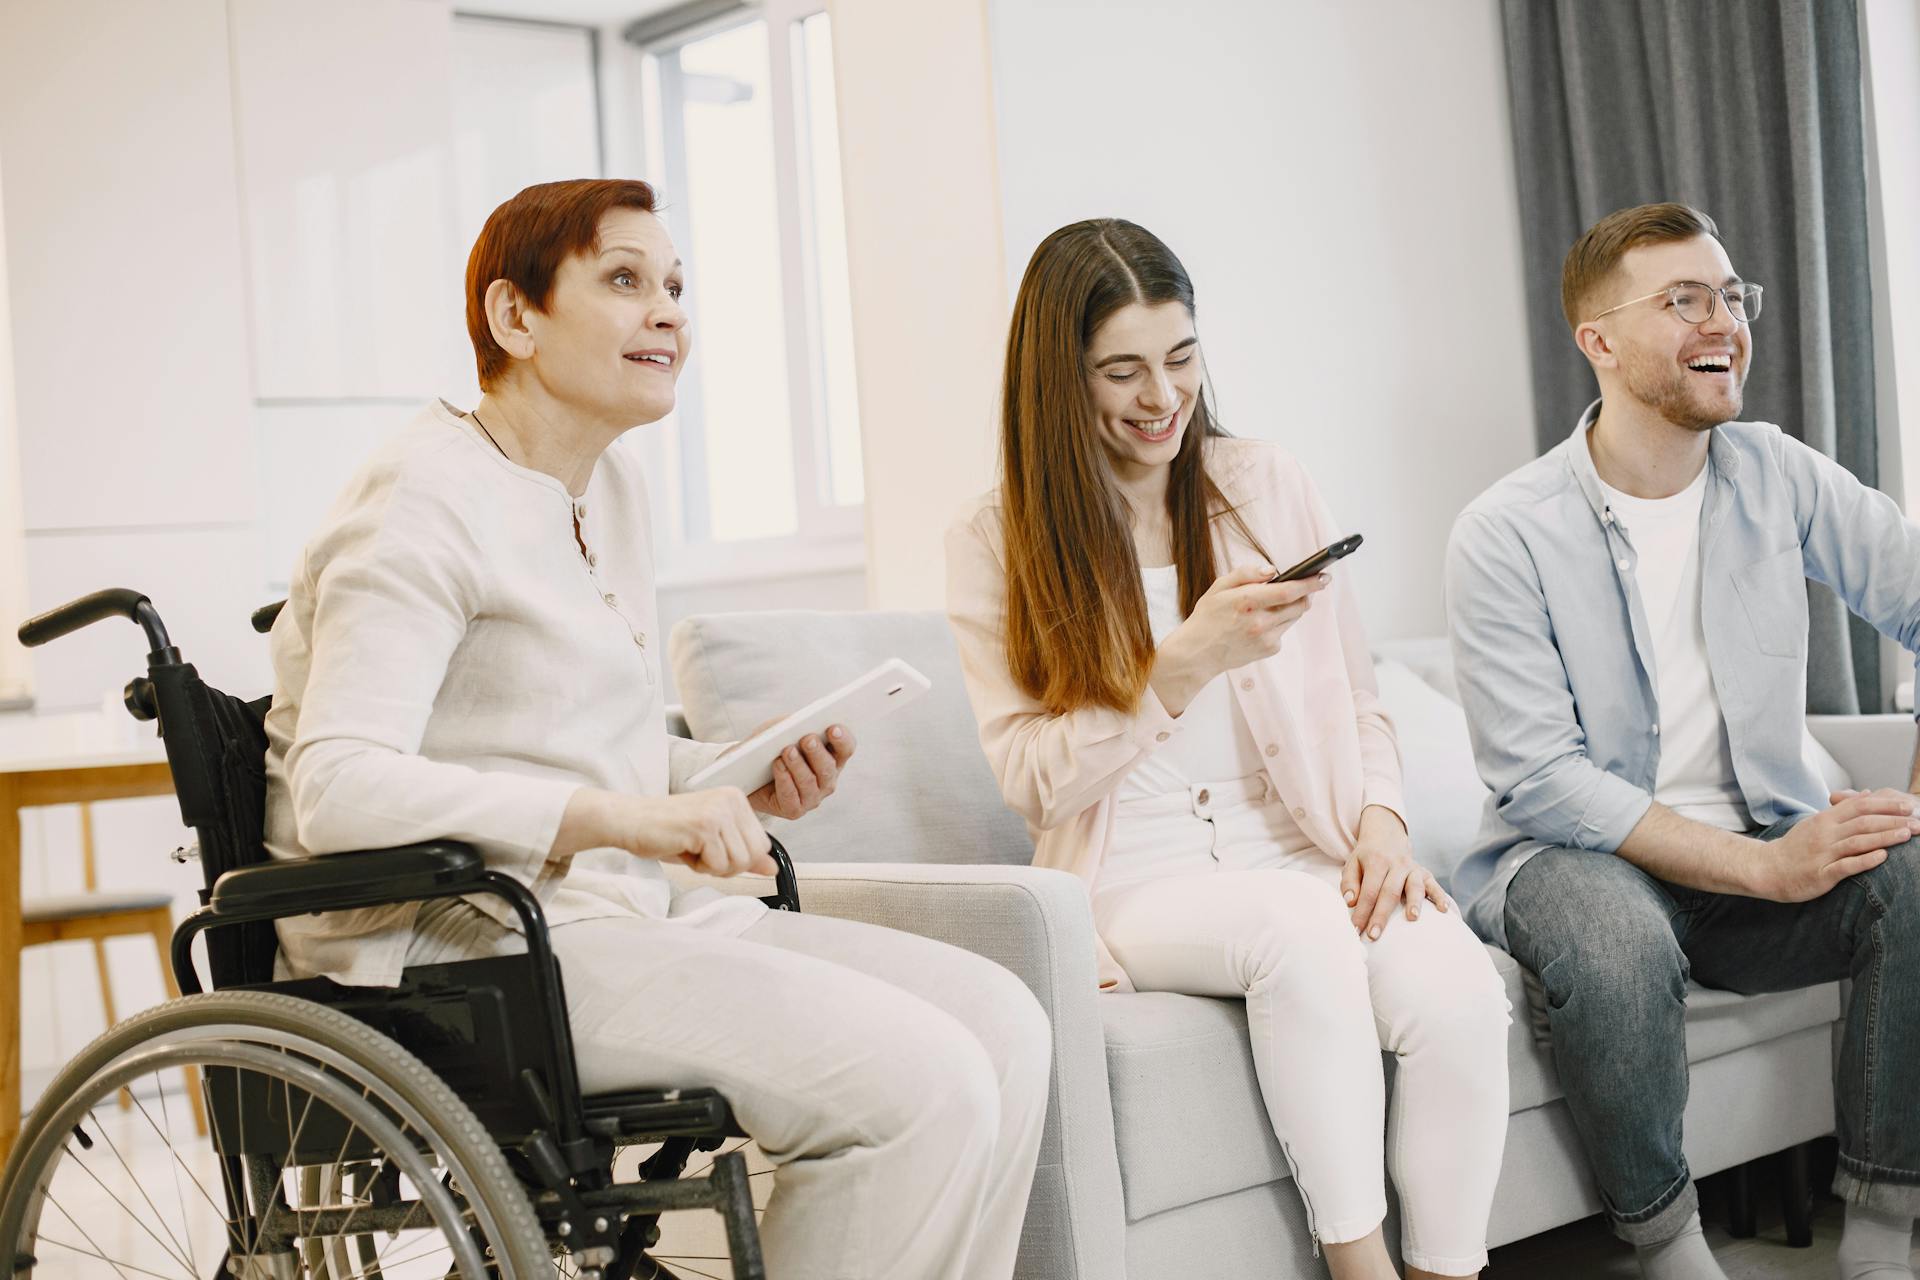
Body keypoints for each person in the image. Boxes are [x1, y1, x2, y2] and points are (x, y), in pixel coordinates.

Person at [261, 177, 1050, 1280]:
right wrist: (621, 816)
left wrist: (730, 774)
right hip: (465, 951)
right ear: (513, 317)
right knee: (924, 1085)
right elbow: (339, 785)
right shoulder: (419, 501)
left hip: (613, 915)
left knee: (1007, 1021)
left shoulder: (607, 490)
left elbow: (569, 746)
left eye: (676, 284)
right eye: (625, 280)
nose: (669, 310)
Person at [946, 217, 1510, 1280]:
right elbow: (1029, 776)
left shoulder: (1263, 480)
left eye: (1182, 357)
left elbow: (1358, 692)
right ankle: (1362, 1270)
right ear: (1057, 379)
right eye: (1122, 370)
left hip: (1298, 842)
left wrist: (1381, 821)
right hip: (1132, 869)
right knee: (1298, 928)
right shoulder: (995, 537)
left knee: (1457, 989)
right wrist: (1177, 666)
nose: (1162, 396)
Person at [1446, 201, 1920, 1280]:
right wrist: (1763, 864)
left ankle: (1887, 1232)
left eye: (1731, 294)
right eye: (1684, 299)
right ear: (1598, 341)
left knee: (1917, 871)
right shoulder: (1504, 531)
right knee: (1617, 937)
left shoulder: (1775, 472)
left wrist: (1911, 795)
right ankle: (1665, 1245)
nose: (1725, 321)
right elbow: (1544, 778)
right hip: (1575, 864)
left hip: (1759, 853)